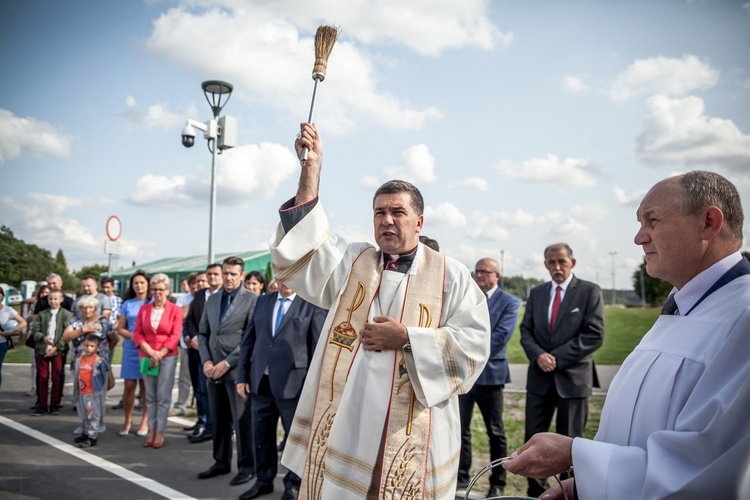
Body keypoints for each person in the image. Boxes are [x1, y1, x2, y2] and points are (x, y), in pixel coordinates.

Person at [269, 123, 491, 499]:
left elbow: (474, 346)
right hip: (349, 421)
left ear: (419, 222)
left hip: (413, 426)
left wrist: (407, 338)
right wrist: (311, 169)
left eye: (398, 212)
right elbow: (306, 249)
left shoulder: (448, 274)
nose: (387, 220)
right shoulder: (355, 261)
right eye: (379, 212)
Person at [504, 170, 750, 499]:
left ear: (708, 222)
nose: (638, 238)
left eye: (652, 221)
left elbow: (705, 472)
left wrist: (576, 455)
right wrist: (589, 485)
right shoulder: (681, 307)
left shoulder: (742, 317)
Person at [519, 242, 604, 496]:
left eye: (562, 262)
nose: (557, 267)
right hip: (539, 380)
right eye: (551, 262)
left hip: (573, 380)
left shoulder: (589, 291)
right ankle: (535, 492)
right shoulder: (537, 293)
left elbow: (594, 335)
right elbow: (526, 331)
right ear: (545, 264)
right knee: (532, 441)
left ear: (572, 263)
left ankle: (568, 494)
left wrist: (555, 357)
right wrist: (538, 356)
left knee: (571, 446)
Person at [236, 281, 327, 500]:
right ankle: (263, 480)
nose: (287, 281)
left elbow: (317, 349)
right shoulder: (263, 301)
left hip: (294, 386)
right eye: (282, 275)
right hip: (260, 382)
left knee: (295, 439)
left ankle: (293, 484)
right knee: (262, 435)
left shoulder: (312, 304)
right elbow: (248, 341)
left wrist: (314, 388)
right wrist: (242, 375)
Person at [457, 258, 519, 498]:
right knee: (461, 429)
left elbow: (500, 336)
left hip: (490, 376)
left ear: (497, 276)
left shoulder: (509, 302)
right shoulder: (467, 297)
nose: (479, 275)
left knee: (495, 431)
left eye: (485, 271)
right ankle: (461, 478)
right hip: (463, 376)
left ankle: (498, 483)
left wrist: (464, 350)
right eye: (477, 271)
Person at [196, 256, 258, 487]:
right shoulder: (212, 300)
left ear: (241, 275)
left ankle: (247, 467)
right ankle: (220, 462)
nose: (229, 277)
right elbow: (203, 334)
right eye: (226, 273)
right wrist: (206, 362)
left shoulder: (252, 300)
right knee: (218, 419)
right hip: (212, 370)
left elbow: (250, 338)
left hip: (236, 371)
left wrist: (227, 363)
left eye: (233, 274)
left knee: (241, 422)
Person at [133, 273, 183, 449]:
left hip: (167, 356)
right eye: (154, 289)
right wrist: (150, 351)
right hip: (146, 356)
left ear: (167, 290)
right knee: (150, 396)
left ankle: (160, 431)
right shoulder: (144, 309)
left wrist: (159, 353)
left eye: (161, 289)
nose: (157, 293)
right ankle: (151, 429)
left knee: (163, 396)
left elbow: (175, 335)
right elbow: (138, 333)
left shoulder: (175, 310)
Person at [62, 295, 118, 434]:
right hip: (80, 365)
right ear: (79, 308)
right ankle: (85, 423)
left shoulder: (104, 322)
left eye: (90, 307)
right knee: (81, 395)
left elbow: (114, 339)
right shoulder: (75, 321)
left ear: (95, 308)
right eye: (84, 307)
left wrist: (102, 355)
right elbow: (65, 337)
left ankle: (100, 422)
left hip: (97, 367)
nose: (87, 310)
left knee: (98, 395)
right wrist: (83, 330)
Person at [184, 267, 220, 443]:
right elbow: (189, 319)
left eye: (215, 274)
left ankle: (217, 427)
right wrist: (192, 337)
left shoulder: (226, 296)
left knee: (216, 393)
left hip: (218, 354)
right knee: (201, 390)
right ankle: (206, 425)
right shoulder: (199, 296)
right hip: (197, 351)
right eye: (209, 275)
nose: (212, 278)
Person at [115, 270, 151, 437]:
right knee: (129, 386)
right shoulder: (127, 304)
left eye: (142, 282)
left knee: (146, 387)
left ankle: (145, 420)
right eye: (136, 283)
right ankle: (127, 419)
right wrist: (134, 337)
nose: (139, 286)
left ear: (148, 284)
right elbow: (120, 328)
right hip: (131, 348)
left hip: (149, 350)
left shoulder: (153, 302)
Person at [30, 289, 72, 415]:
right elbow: (35, 331)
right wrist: (43, 338)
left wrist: (56, 347)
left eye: (55, 299)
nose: (53, 301)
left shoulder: (66, 314)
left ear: (61, 299)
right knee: (43, 377)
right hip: (42, 349)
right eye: (50, 299)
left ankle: (54, 404)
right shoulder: (42, 314)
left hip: (58, 351)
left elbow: (66, 333)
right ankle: (42, 404)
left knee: (56, 377)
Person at [73, 333, 108, 448]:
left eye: (92, 346)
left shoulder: (98, 361)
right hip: (82, 392)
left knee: (93, 415)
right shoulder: (80, 360)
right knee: (84, 414)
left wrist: (99, 391)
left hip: (92, 393)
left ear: (97, 348)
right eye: (87, 345)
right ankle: (86, 432)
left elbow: (103, 378)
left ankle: (92, 437)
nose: (89, 348)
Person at [173, 272, 197, 416]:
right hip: (185, 344)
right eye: (192, 285)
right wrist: (193, 302)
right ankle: (181, 404)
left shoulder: (209, 297)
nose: (195, 287)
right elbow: (179, 316)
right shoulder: (183, 299)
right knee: (184, 376)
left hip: (202, 344)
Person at [1, 288, 28, 390]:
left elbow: (23, 322)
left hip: (1, 343)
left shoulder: (8, 310)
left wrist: (12, 331)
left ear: (2, 296)